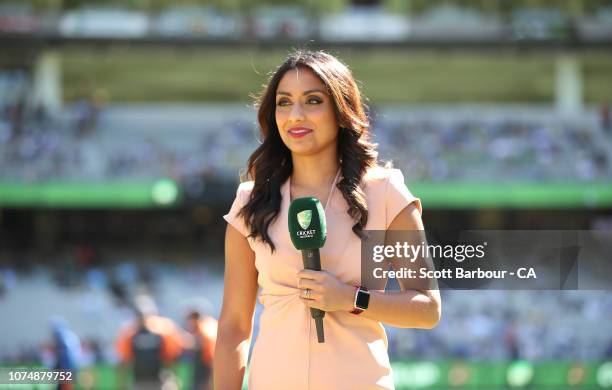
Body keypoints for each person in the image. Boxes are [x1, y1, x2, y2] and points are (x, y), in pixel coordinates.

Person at [215, 49, 441, 389]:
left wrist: (351, 298)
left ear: (340, 110)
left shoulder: (384, 192)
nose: (296, 115)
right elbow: (234, 324)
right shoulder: (251, 201)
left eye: (313, 101)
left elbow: (427, 308)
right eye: (284, 102)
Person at [115, 295, 183, 389]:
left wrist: (174, 377)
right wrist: (121, 383)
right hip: (139, 381)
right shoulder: (129, 334)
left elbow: (172, 357)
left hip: (160, 380)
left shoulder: (163, 331)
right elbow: (124, 360)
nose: (143, 318)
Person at [185, 309, 217, 390]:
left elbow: (209, 354)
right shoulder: (208, 325)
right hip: (206, 366)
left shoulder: (203, 330)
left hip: (205, 368)